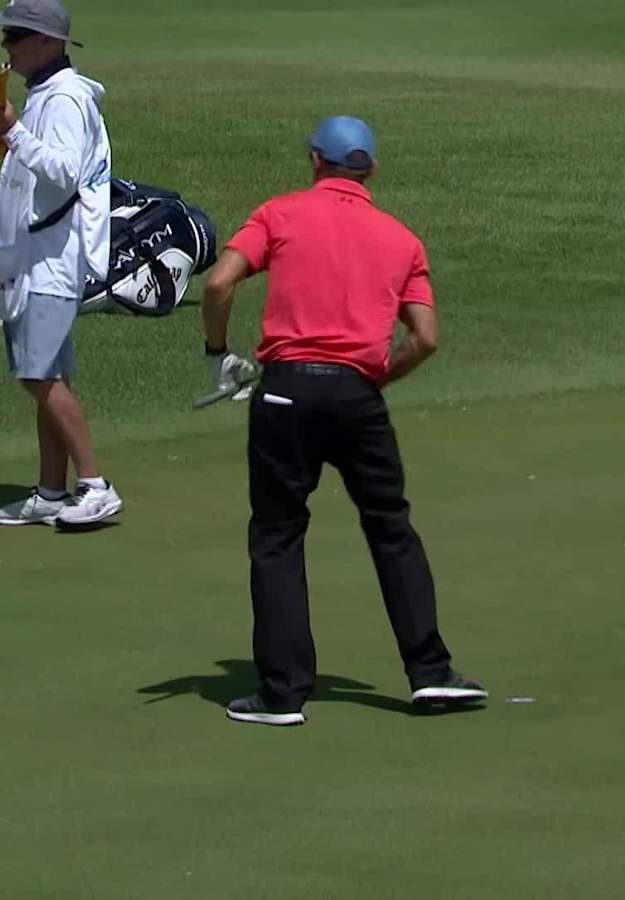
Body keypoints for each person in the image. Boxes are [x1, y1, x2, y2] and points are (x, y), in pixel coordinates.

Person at [200, 116, 487, 726]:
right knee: (390, 527)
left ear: (314, 161)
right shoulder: (400, 239)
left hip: (285, 392)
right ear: (371, 170)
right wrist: (373, 377)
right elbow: (426, 338)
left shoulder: (279, 214)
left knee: (278, 535)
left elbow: (220, 281)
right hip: (358, 398)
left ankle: (283, 693)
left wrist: (218, 354)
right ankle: (430, 673)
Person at [0, 0, 122, 527]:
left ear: (43, 42)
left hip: (51, 263)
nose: (6, 46)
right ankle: (51, 491)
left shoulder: (63, 101)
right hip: (34, 258)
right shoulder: (46, 96)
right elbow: (41, 177)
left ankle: (94, 485)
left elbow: (62, 172)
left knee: (39, 374)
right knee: (46, 374)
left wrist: (12, 131)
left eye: (14, 36)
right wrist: (2, 197)